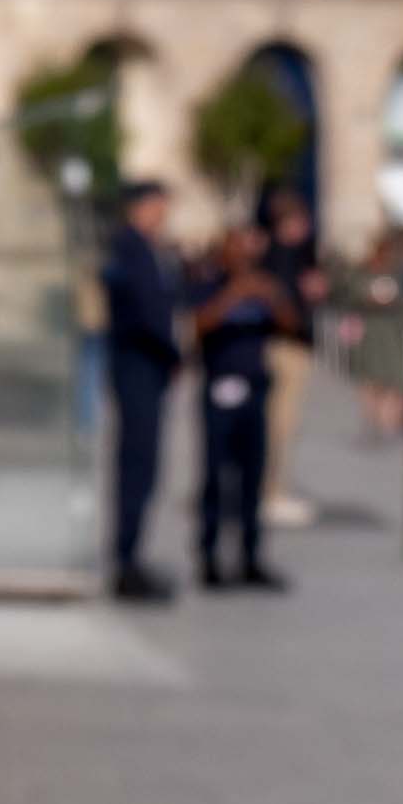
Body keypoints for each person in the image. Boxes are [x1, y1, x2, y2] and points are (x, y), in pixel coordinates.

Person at [189, 219, 293, 591]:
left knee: (253, 476)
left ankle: (251, 556)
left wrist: (272, 297)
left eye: (248, 247)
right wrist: (234, 294)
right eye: (235, 246)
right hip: (218, 388)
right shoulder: (209, 284)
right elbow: (197, 325)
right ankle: (209, 556)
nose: (243, 254)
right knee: (216, 476)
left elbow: (291, 326)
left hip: (255, 389)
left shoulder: (264, 287)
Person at [98, 174, 187, 600]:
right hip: (137, 363)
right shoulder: (129, 247)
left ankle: (132, 554)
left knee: (146, 464)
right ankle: (125, 561)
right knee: (136, 462)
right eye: (159, 204)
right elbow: (146, 311)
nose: (164, 213)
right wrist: (173, 353)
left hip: (148, 365)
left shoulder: (147, 248)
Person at [258, 181, 322, 532]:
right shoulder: (282, 256)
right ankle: (271, 492)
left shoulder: (289, 255)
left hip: (290, 344)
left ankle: (274, 488)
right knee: (280, 423)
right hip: (286, 346)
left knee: (284, 423)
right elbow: (281, 303)